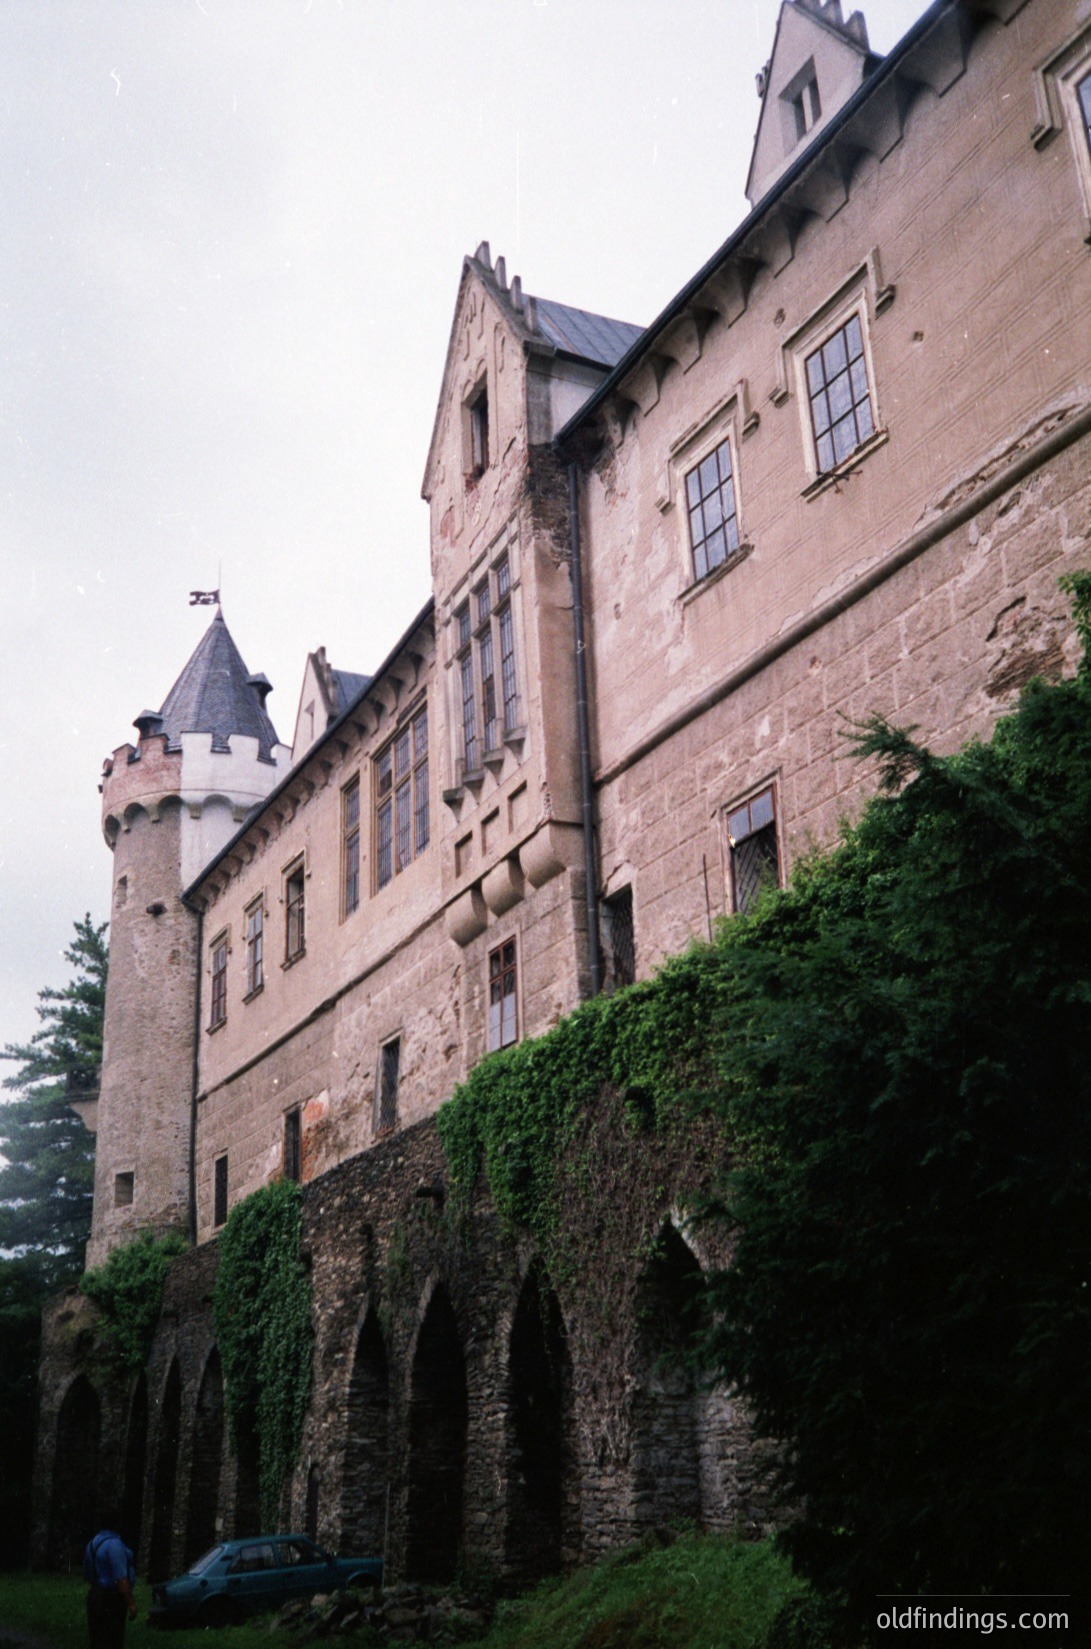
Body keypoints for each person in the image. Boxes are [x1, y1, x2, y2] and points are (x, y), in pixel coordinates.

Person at [83, 1510, 137, 1649]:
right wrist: (130, 1603)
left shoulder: (92, 1544)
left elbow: (87, 1573)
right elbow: (121, 1579)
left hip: (95, 1594)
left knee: (97, 1639)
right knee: (113, 1640)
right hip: (111, 1599)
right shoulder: (115, 1545)